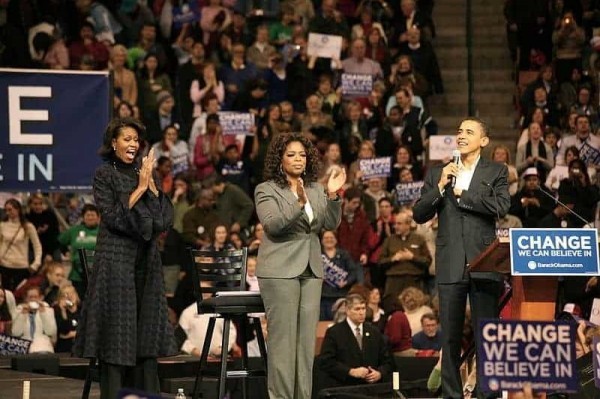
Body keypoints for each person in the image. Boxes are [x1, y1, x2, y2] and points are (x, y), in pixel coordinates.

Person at [74, 117, 176, 399]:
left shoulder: (147, 174)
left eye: (135, 140)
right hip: (116, 261)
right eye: (127, 139)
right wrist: (140, 188)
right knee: (118, 335)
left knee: (145, 336)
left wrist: (152, 187)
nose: (132, 144)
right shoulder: (104, 174)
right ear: (113, 143)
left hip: (146, 262)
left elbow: (164, 220)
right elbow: (115, 217)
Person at [412, 117, 510, 399]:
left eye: (469, 131)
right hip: (450, 259)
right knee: (451, 337)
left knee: (486, 336)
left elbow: (501, 206)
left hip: (485, 261)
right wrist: (441, 187)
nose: (462, 135)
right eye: (459, 131)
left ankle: (487, 394)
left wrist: (463, 194)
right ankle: (451, 395)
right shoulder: (438, 173)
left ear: (484, 141)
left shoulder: (496, 170)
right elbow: (420, 213)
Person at [255, 133, 345, 399]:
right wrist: (299, 203)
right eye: (291, 154)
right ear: (279, 159)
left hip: (311, 270)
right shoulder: (267, 189)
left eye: (302, 155)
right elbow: (272, 225)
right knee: (283, 345)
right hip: (279, 271)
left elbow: (329, 223)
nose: (298, 159)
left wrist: (333, 195)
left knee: (305, 346)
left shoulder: (316, 188)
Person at [318, 293, 393, 390]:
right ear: (348, 310)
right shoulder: (335, 332)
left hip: (371, 389)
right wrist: (350, 371)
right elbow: (326, 361)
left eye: (363, 308)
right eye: (357, 309)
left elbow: (388, 361)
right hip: (344, 388)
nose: (361, 312)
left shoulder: (374, 331)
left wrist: (379, 373)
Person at [57, 204, 100, 300]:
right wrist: (65, 252)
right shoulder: (74, 230)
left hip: (98, 274)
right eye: (87, 215)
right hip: (78, 276)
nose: (90, 217)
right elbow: (60, 241)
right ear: (83, 217)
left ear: (98, 217)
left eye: (93, 215)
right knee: (80, 301)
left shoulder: (103, 231)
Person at [0, 199, 43, 292]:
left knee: (20, 293)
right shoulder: (2, 225)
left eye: (10, 210)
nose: (8, 213)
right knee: (5, 294)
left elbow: (37, 246)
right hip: (4, 265)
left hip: (21, 267)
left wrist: (36, 263)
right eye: (6, 210)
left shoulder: (28, 226)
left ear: (18, 209)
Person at [12, 286, 56, 353]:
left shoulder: (48, 310)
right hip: (24, 346)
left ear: (40, 298)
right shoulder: (18, 310)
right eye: (30, 297)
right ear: (26, 298)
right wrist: (22, 315)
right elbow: (16, 333)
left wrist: (43, 314)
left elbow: (50, 332)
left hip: (43, 346)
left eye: (35, 297)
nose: (33, 299)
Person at [54, 285, 81, 353]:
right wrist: (63, 311)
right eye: (66, 294)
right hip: (64, 349)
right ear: (60, 298)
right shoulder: (58, 311)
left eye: (72, 293)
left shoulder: (83, 309)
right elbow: (63, 331)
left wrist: (72, 334)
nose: (70, 296)